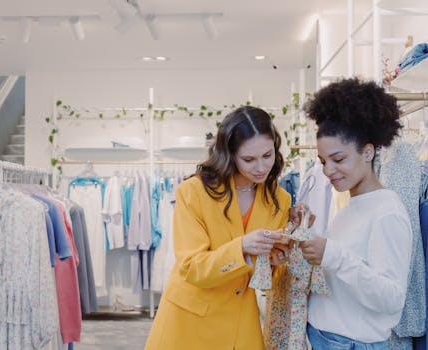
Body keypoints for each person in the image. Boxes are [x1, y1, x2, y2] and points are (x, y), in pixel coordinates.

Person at [144, 106, 293, 350]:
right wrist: (242, 247)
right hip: (190, 320)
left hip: (242, 322)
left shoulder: (280, 199)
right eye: (248, 159)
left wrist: (278, 259)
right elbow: (192, 267)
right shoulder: (193, 192)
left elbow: (268, 278)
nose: (261, 167)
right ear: (229, 154)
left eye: (268, 155)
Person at [300, 78, 413, 349]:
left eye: (338, 160)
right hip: (327, 338)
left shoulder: (386, 212)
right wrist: (308, 234)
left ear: (368, 152)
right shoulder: (353, 204)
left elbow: (391, 298)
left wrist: (331, 254)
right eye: (323, 162)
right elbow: (342, 276)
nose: (328, 171)